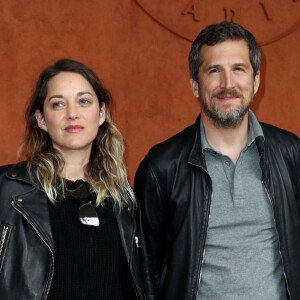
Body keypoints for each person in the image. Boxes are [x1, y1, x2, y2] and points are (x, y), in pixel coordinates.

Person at [134, 21, 300, 300]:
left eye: (239, 69)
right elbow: (144, 270)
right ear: (195, 85)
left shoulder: (290, 153)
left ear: (256, 81)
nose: (227, 84)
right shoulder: (161, 167)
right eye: (214, 71)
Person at [0, 59, 145, 299]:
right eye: (58, 104)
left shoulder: (126, 202)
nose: (72, 114)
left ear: (101, 113)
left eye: (84, 101)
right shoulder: (8, 190)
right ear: (42, 119)